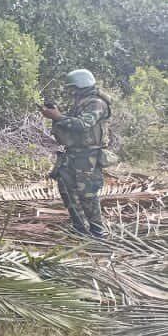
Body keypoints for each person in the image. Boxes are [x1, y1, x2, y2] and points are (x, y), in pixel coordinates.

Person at [41, 69, 113, 238]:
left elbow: (83, 125)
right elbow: (73, 124)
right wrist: (56, 114)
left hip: (87, 157)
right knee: (66, 189)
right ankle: (79, 228)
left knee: (87, 194)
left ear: (82, 85)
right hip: (72, 154)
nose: (71, 91)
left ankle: (97, 232)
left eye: (73, 87)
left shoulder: (96, 103)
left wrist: (58, 117)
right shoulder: (82, 101)